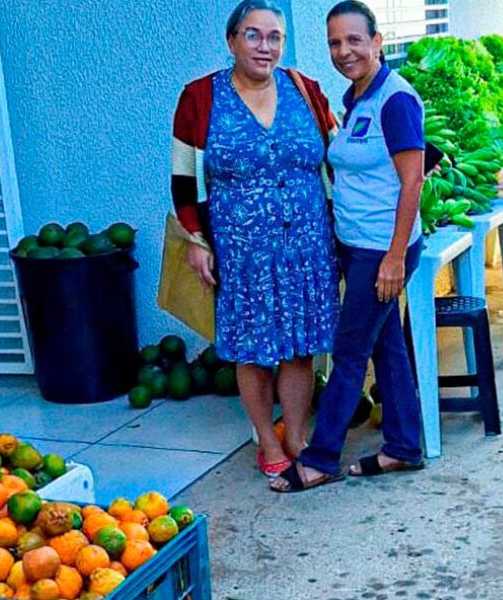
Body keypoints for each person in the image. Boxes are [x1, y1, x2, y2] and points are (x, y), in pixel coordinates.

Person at [171, 0, 340, 479]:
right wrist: (196, 239)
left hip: (308, 247)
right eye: (253, 35)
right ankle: (268, 439)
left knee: (300, 345)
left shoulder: (304, 89)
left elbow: (341, 151)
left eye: (274, 37)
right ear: (231, 41)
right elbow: (183, 178)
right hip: (242, 252)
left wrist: (414, 157)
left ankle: (297, 435)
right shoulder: (200, 97)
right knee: (252, 349)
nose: (264, 46)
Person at [271, 0, 427, 492]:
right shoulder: (357, 96)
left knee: (350, 349)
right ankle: (404, 447)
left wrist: (396, 256)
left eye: (354, 40)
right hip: (359, 245)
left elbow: (413, 181)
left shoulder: (395, 100)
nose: (344, 51)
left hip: (383, 249)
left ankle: (320, 457)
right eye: (335, 42)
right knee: (389, 349)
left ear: (377, 42)